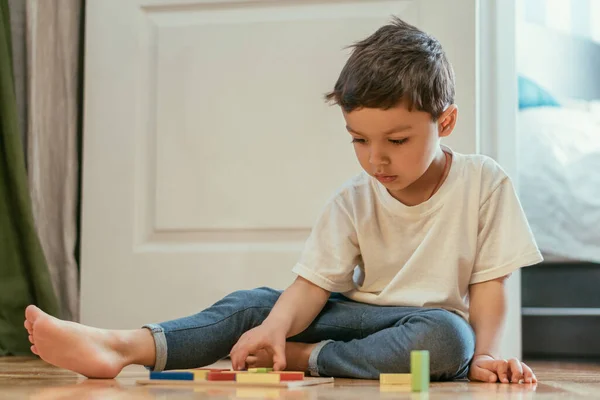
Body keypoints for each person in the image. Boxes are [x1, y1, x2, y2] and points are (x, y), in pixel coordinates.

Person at [23, 17, 541, 384]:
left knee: (450, 337)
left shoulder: (484, 183)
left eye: (397, 141)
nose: (376, 160)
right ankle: (121, 347)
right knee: (253, 306)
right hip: (362, 321)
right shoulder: (353, 201)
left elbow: (489, 285)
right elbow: (313, 285)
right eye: (359, 140)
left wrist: (486, 355)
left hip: (429, 331)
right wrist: (272, 328)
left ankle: (306, 357)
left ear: (444, 122)